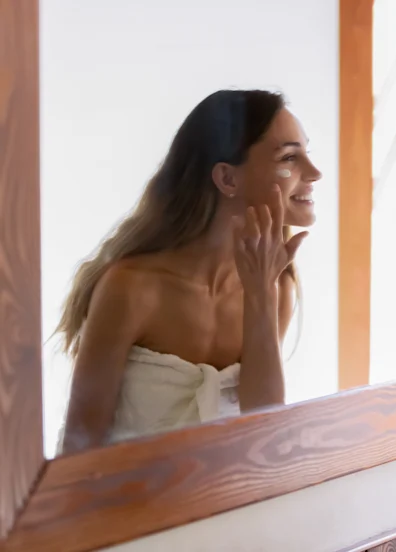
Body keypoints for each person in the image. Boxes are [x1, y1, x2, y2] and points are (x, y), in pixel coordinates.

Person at [56, 89, 321, 454]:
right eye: (290, 157)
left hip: (227, 487)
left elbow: (264, 433)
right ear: (227, 179)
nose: (315, 173)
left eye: (307, 153)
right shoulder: (131, 289)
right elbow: (79, 446)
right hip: (132, 489)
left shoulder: (278, 288)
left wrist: (261, 293)